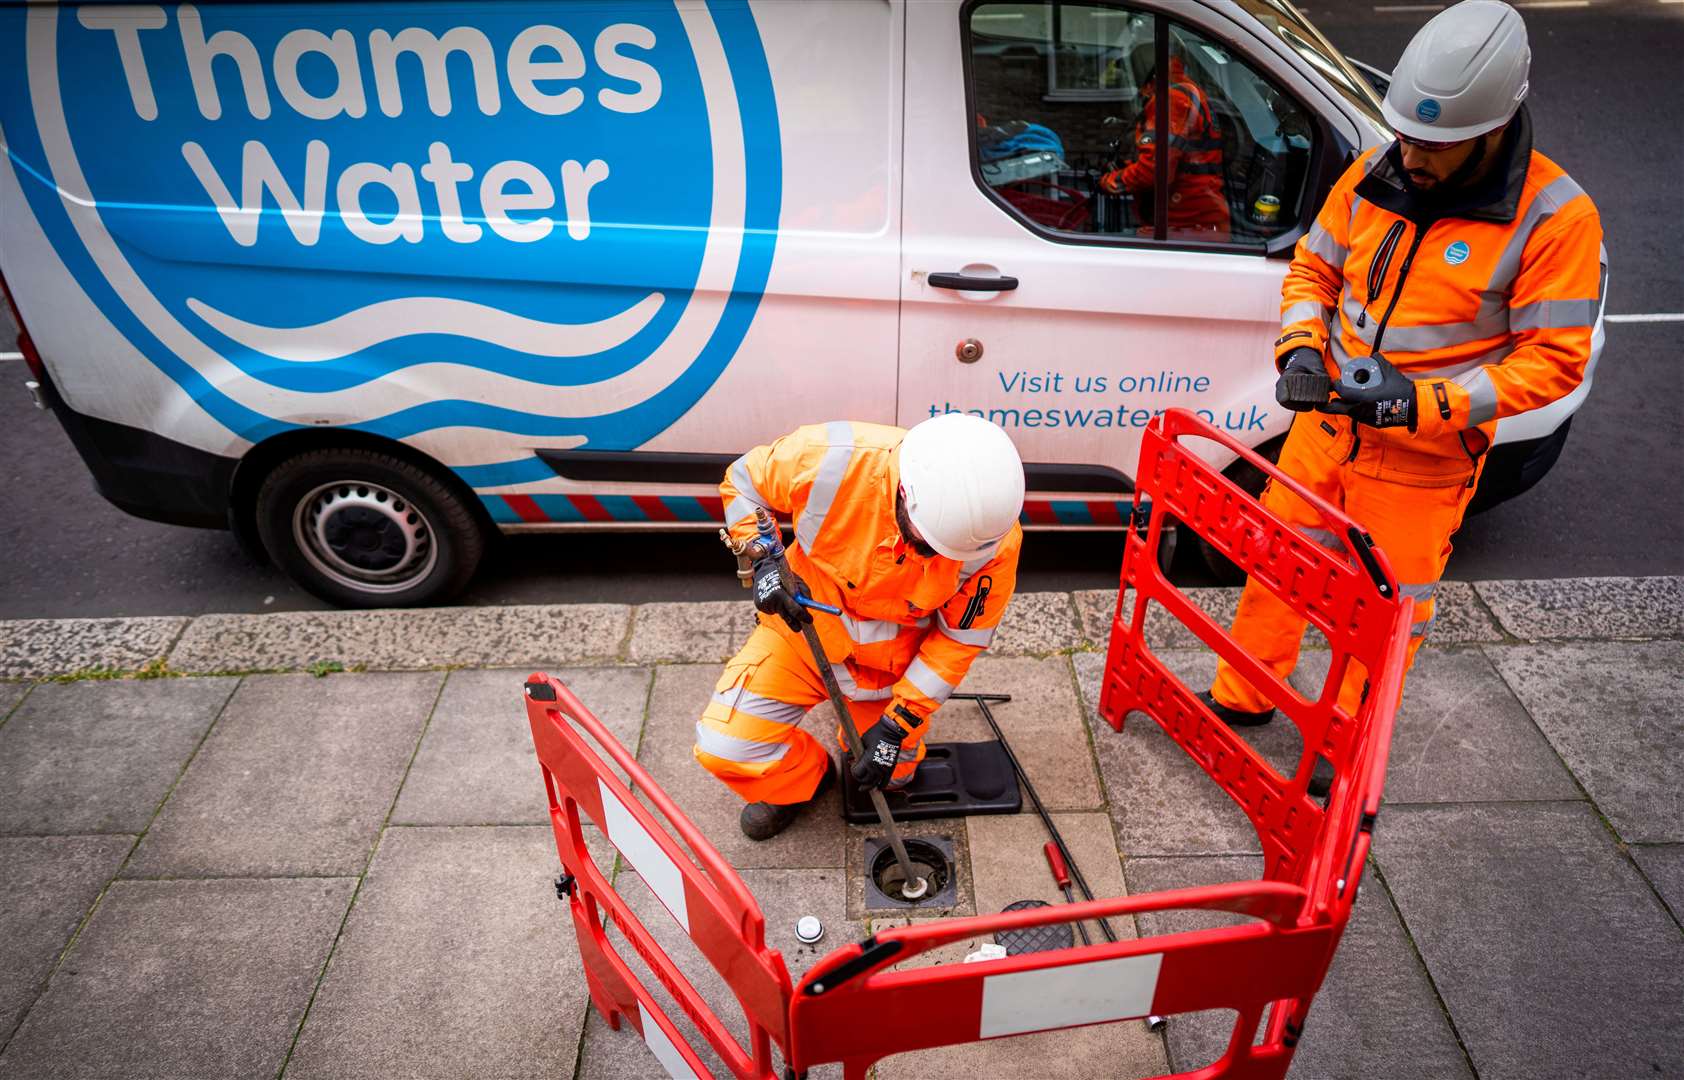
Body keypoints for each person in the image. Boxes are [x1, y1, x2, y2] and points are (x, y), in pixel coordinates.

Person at [1202, 0, 1604, 788]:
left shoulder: (1557, 218)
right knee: (1279, 565)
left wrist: (1424, 404)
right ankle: (1242, 698)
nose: (1412, 157)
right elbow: (1314, 270)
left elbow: (1554, 360)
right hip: (1328, 429)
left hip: (1422, 459)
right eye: (1409, 137)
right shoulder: (1377, 170)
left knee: (1386, 613)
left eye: (1435, 146)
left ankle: (1344, 747)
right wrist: (1299, 347)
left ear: (1492, 129)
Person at [697, 415, 1025, 840]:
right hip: (800, 637)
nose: (930, 555)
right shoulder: (829, 461)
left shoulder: (990, 542)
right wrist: (763, 559)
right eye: (924, 542)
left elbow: (957, 642)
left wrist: (896, 725)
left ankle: (877, 740)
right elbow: (744, 482)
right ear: (904, 494)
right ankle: (807, 780)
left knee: (895, 775)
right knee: (726, 748)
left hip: (889, 672)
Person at [1100, 42, 1230, 239]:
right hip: (1195, 223)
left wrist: (1112, 181)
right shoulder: (1185, 91)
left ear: (1147, 74)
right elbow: (1170, 157)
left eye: (1133, 76)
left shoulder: (1172, 99)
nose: (1136, 87)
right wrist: (1128, 167)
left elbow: (1154, 170)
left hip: (1185, 226)